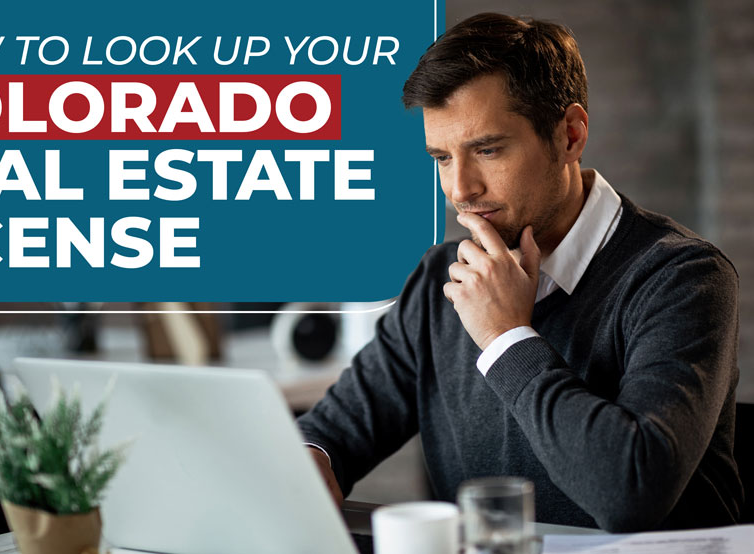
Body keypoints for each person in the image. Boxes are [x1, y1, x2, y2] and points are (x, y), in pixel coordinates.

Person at [297, 12, 743, 532]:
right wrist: (312, 458)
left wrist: (505, 336)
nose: (460, 188)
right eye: (442, 158)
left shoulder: (683, 277)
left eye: (487, 150)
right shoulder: (440, 279)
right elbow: (333, 429)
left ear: (571, 135)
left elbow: (630, 492)